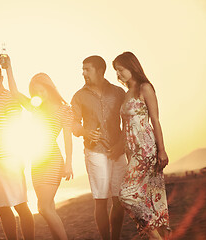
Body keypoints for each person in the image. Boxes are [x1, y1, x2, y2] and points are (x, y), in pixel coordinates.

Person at [3, 55, 73, 240]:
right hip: (37, 160)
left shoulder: (64, 109)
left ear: (49, 88)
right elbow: (15, 93)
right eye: (35, 91)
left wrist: (69, 163)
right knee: (49, 207)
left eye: (41, 90)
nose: (39, 94)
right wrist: (8, 68)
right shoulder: (36, 107)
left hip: (52, 159)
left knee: (42, 207)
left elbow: (67, 138)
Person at [113, 52, 170, 240]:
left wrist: (162, 150)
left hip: (146, 148)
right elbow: (124, 127)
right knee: (148, 197)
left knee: (126, 194)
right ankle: (157, 233)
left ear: (132, 67)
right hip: (132, 151)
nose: (118, 75)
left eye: (120, 70)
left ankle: (156, 237)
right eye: (116, 71)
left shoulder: (145, 88)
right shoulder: (127, 92)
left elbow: (155, 120)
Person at [71, 56, 128, 240]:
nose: (83, 73)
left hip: (118, 151)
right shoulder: (79, 96)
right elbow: (74, 125)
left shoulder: (119, 93)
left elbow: (128, 122)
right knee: (101, 200)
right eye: (83, 69)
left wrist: (122, 144)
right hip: (95, 152)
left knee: (119, 201)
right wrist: (85, 131)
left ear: (100, 71)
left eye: (87, 69)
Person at [0, 62, 35, 240]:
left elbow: (16, 127)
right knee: (2, 207)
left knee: (20, 205)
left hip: (11, 157)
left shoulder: (11, 98)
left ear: (1, 78)